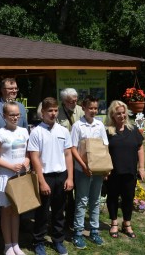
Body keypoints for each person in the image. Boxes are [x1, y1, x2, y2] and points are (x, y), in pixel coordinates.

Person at [28, 97, 74, 255]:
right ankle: (38, 241)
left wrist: (70, 178)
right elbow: (34, 158)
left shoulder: (63, 131)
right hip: (45, 177)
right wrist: (41, 181)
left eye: (55, 110)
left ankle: (58, 240)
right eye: (50, 111)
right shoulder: (36, 132)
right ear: (43, 113)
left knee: (59, 211)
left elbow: (68, 155)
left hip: (61, 176)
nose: (53, 114)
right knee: (41, 212)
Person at [0, 78, 28, 225]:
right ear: (2, 90)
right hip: (0, 160)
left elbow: (25, 131)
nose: (14, 91)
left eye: (15, 88)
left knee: (18, 191)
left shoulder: (21, 107)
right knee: (1, 194)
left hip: (18, 160)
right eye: (10, 88)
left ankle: (19, 220)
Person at [0, 101, 30, 255]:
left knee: (16, 211)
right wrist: (10, 166)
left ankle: (16, 244)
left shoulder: (24, 131)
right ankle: (7, 244)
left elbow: (28, 153)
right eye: (12, 115)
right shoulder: (0, 133)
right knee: (6, 211)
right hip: (6, 177)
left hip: (20, 177)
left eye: (17, 114)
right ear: (4, 116)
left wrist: (26, 162)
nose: (15, 117)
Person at [70, 96, 108, 249]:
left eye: (95, 108)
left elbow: (105, 145)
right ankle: (78, 233)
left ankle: (94, 230)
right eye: (90, 108)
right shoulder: (78, 126)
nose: (93, 111)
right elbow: (73, 148)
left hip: (98, 171)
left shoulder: (99, 125)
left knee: (96, 201)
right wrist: (83, 166)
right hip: (82, 170)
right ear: (83, 108)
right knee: (82, 201)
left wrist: (106, 167)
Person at [105, 100, 145, 238]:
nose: (122, 116)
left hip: (129, 171)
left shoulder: (133, 130)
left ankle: (127, 223)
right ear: (112, 115)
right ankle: (114, 223)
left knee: (128, 198)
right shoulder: (107, 132)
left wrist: (141, 167)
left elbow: (140, 148)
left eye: (123, 113)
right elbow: (103, 151)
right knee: (112, 198)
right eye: (118, 113)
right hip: (113, 172)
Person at [57, 88, 84, 229]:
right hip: (64, 157)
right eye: (70, 101)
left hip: (80, 155)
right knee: (66, 189)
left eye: (75, 100)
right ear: (64, 101)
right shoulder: (57, 113)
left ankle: (77, 218)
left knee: (80, 188)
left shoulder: (81, 110)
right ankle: (65, 219)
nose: (74, 103)